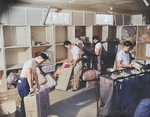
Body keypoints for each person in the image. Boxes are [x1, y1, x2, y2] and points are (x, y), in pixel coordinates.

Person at [17, 53, 48, 117]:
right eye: (42, 61)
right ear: (39, 57)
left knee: (28, 99)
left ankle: (28, 114)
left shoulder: (34, 63)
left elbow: (35, 74)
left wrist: (38, 84)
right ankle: (23, 115)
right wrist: (31, 87)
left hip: (26, 81)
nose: (41, 63)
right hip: (23, 81)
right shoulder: (31, 62)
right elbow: (29, 74)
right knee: (25, 100)